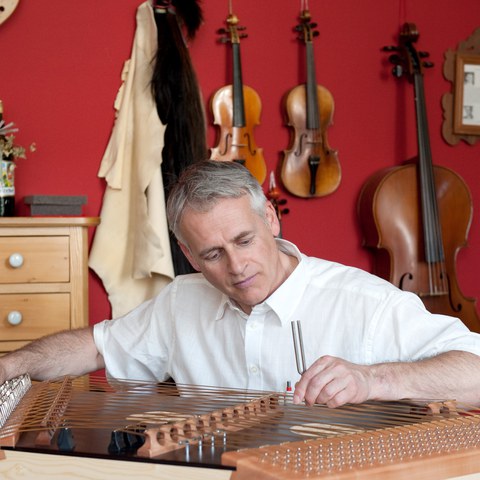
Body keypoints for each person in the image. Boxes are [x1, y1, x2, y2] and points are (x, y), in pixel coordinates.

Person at [2, 160, 480, 408]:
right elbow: (97, 348)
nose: (236, 266)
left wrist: (374, 379)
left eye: (245, 239)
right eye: (212, 254)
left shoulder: (362, 303)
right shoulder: (181, 301)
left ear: (270, 218)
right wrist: (13, 363)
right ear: (188, 255)